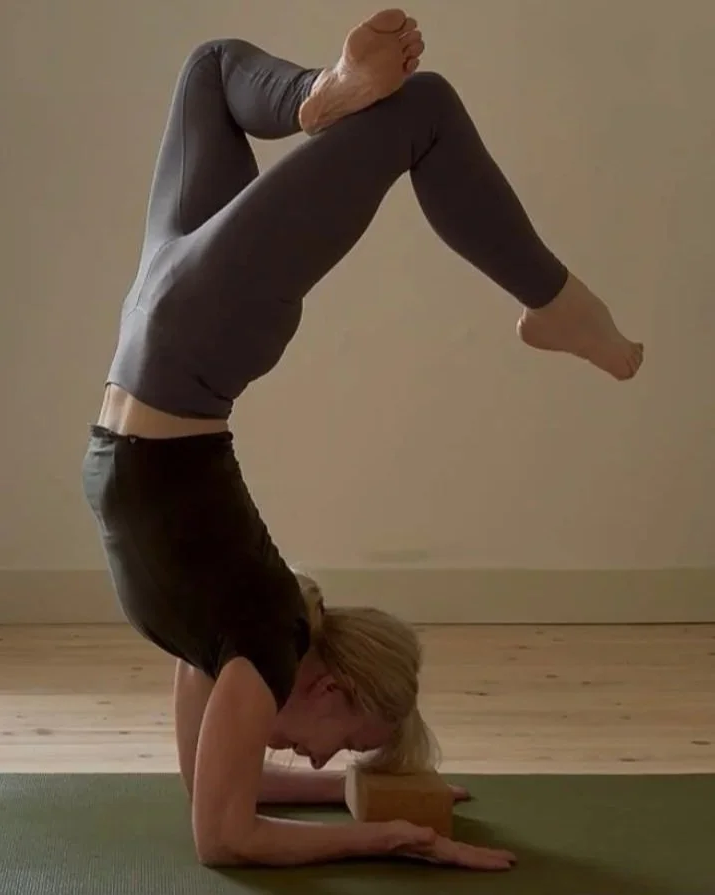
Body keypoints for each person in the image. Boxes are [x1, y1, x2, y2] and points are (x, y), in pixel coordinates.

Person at [81, 8, 643, 872]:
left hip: (166, 333)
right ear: (329, 685)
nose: (318, 757)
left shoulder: (233, 645)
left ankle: (321, 96)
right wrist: (386, 835)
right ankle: (559, 305)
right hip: (181, 341)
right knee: (417, 106)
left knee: (214, 70)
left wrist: (356, 795)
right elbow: (226, 833)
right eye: (345, 743)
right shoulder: (263, 647)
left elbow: (211, 799)